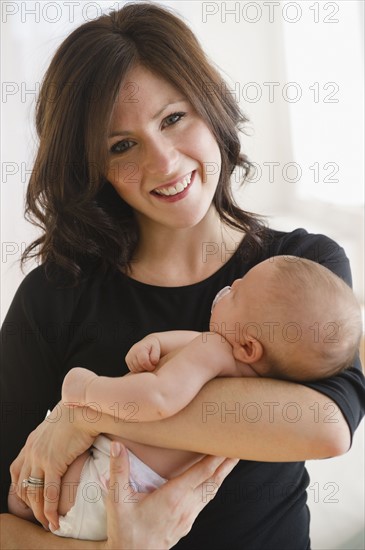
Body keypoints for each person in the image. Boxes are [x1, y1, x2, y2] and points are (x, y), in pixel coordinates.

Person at [1, 3, 364, 549]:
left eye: (174, 118)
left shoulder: (301, 269)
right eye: (122, 145)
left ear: (209, 107)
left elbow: (325, 426)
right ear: (92, 167)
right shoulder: (54, 295)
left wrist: (84, 417)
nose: (166, 163)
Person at [8, 255, 361, 541]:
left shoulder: (215, 348)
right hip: (126, 494)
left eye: (237, 294)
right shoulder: (251, 366)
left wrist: (86, 396)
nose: (230, 286)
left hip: (108, 486)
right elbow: (187, 345)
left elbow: (159, 397)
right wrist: (158, 344)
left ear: (250, 347)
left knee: (24, 497)